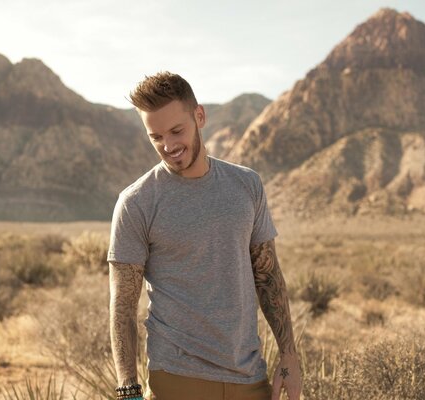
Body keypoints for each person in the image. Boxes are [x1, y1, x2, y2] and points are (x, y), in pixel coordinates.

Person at [108, 71, 301, 400]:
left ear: (199, 116)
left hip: (250, 379)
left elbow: (268, 275)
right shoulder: (136, 202)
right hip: (177, 380)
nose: (168, 146)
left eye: (176, 131)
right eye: (155, 137)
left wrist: (289, 356)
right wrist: (129, 389)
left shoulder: (246, 185)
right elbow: (123, 306)